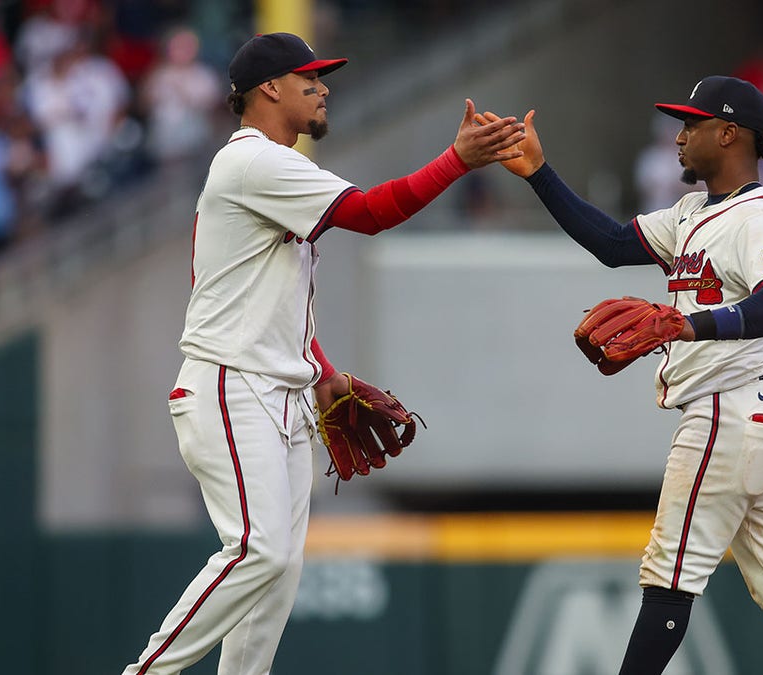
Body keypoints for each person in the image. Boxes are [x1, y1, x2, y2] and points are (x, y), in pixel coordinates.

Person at [121, 32, 524, 675]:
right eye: (310, 78)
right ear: (269, 89)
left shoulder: (276, 169)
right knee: (259, 554)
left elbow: (267, 300)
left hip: (279, 390)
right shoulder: (255, 161)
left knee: (276, 578)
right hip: (231, 386)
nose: (324, 87)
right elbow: (369, 212)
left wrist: (325, 372)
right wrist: (455, 160)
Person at [482, 76, 763, 674]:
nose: (678, 137)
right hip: (757, 407)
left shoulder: (761, 219)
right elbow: (611, 243)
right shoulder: (694, 212)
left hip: (730, 410)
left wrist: (694, 328)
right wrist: (539, 173)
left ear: (729, 134)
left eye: (692, 124)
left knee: (669, 573)